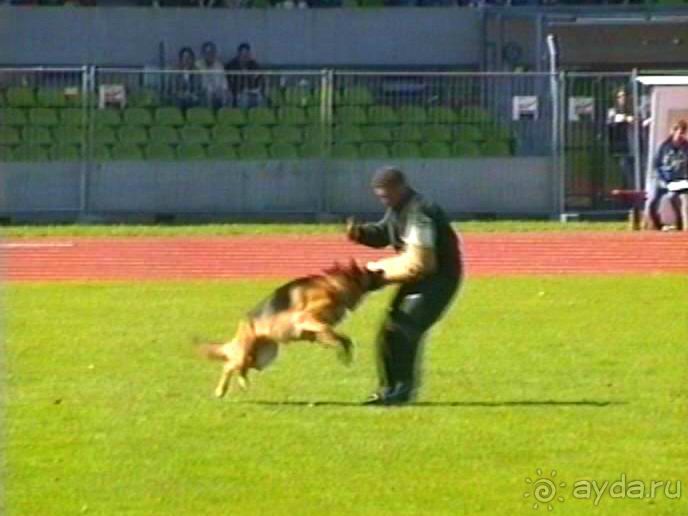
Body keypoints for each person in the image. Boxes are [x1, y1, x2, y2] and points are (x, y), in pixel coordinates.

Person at [347, 166, 463, 406]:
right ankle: (388, 390)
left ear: (401, 187)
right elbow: (385, 233)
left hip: (438, 279)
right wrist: (360, 233)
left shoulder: (420, 212)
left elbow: (423, 264)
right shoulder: (398, 209)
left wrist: (377, 279)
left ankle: (401, 391)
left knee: (403, 331)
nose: (384, 200)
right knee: (389, 332)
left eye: (387, 195)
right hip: (420, 279)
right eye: (380, 197)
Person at [646, 120, 688, 231]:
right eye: (679, 132)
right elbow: (656, 165)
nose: (681, 136)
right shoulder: (664, 145)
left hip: (677, 180)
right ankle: (658, 225)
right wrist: (662, 178)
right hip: (662, 179)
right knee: (652, 202)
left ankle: (680, 225)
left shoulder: (686, 147)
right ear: (673, 132)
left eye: (683, 133)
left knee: (673, 197)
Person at [225, 42, 264, 109]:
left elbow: (260, 77)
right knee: (244, 99)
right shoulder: (231, 65)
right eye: (243, 55)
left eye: (247, 55)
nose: (245, 57)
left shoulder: (253, 64)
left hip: (252, 92)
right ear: (238, 54)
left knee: (260, 98)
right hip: (237, 93)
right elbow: (229, 82)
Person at [195, 41, 230, 109]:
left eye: (212, 52)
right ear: (203, 53)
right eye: (208, 53)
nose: (210, 55)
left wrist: (224, 90)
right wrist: (211, 90)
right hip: (203, 91)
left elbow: (224, 82)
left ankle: (224, 115)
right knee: (209, 93)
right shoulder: (197, 65)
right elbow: (199, 83)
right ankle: (209, 115)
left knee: (228, 95)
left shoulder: (219, 65)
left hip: (218, 91)